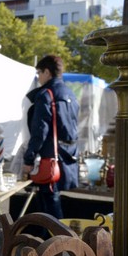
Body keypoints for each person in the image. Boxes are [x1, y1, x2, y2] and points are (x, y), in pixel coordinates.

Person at [22, 55, 79, 219]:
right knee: (51, 202)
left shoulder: (46, 94)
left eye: (39, 72)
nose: (38, 77)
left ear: (47, 72)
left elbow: (40, 130)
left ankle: (60, 242)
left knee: (50, 205)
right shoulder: (70, 93)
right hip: (69, 153)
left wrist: (29, 159)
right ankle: (51, 239)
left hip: (51, 157)